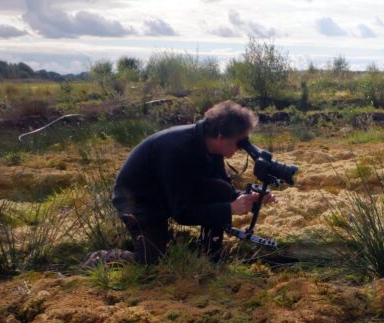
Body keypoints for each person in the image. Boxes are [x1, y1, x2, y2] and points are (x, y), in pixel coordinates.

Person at [110, 100, 274, 264]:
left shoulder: (211, 146)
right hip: (138, 200)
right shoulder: (177, 148)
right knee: (151, 260)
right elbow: (182, 213)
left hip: (170, 192)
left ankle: (212, 253)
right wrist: (230, 208)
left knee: (220, 189)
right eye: (239, 142)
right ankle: (103, 257)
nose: (241, 148)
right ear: (220, 136)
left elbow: (224, 190)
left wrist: (249, 198)